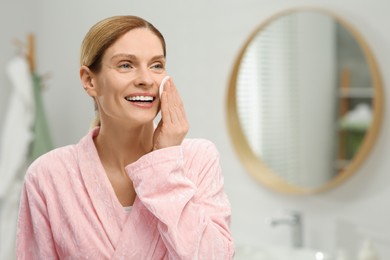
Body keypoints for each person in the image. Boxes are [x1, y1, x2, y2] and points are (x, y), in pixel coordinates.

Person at [16, 15, 235, 259]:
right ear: (90, 80)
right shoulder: (48, 175)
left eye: (156, 65)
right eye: (125, 65)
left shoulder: (198, 159)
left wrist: (165, 164)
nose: (145, 79)